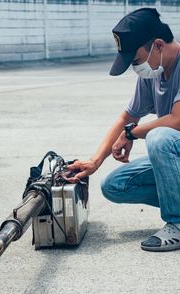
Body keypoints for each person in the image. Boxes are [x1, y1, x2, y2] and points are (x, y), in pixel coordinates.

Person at [67, 7, 180, 252]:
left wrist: (132, 133)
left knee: (159, 138)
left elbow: (176, 121)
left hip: (173, 145)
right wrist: (94, 162)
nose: (135, 68)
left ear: (158, 45)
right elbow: (127, 116)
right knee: (115, 185)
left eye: (136, 60)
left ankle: (177, 224)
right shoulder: (153, 74)